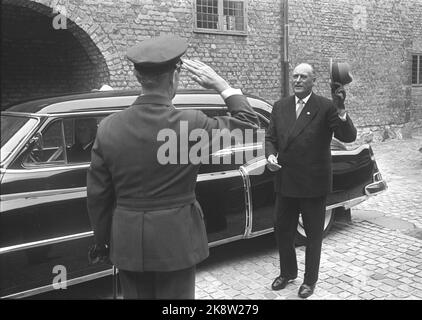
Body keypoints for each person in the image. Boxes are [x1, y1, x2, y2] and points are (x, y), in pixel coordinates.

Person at [86, 34, 259, 299]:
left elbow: (98, 195)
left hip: (128, 240)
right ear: (174, 77)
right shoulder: (191, 124)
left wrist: (102, 241)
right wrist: (222, 85)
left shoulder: (108, 126)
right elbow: (247, 124)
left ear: (137, 76)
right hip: (176, 241)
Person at [265, 63, 357, 298]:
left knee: (313, 235)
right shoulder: (280, 106)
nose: (297, 80)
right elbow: (270, 137)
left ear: (313, 81)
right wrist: (270, 155)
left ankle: (309, 281)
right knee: (282, 230)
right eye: (294, 76)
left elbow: (348, 136)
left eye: (303, 77)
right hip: (285, 181)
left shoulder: (325, 107)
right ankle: (287, 273)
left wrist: (341, 109)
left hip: (312, 183)